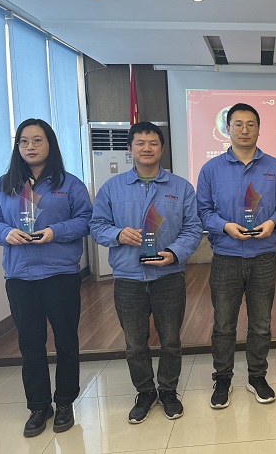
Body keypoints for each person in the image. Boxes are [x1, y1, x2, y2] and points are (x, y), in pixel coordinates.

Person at [0, 119, 92, 437]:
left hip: (60, 274)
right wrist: (6, 232)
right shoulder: (5, 185)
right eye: (24, 141)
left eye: (38, 140)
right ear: (17, 147)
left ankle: (65, 402)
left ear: (50, 144)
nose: (30, 146)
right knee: (30, 344)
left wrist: (56, 231)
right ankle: (39, 406)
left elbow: (86, 219)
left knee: (66, 341)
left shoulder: (69, 184)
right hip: (20, 276)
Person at [90, 122, 202, 424]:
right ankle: (145, 392)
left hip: (168, 276)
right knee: (135, 344)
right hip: (128, 278)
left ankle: (168, 391)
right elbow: (96, 226)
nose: (147, 148)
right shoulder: (112, 188)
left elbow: (193, 228)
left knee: (171, 340)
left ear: (162, 148)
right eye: (140, 143)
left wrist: (175, 253)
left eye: (153, 143)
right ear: (129, 149)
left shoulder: (181, 187)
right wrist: (117, 234)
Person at [197, 103, 276, 409]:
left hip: (263, 256)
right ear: (227, 129)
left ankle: (257, 376)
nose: (244, 130)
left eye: (251, 124)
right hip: (225, 256)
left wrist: (273, 222)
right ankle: (222, 379)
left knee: (261, 323)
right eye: (238, 124)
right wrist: (224, 226)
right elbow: (203, 211)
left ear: (259, 129)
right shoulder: (211, 169)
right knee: (224, 324)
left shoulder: (275, 167)